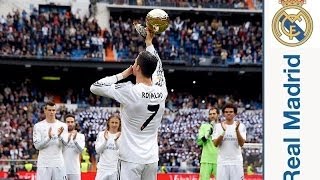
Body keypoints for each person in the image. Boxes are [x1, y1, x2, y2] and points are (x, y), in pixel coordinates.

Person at [90, 28, 168, 180]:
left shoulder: (130, 91)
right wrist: (149, 43)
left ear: (136, 68)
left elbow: (95, 87)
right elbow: (158, 67)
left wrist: (124, 74)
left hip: (130, 159)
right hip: (151, 159)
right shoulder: (162, 90)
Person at [33, 101, 68, 180]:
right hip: (44, 164)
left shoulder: (63, 126)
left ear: (55, 111)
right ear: (45, 110)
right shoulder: (38, 126)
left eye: (53, 110)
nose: (51, 112)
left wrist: (60, 136)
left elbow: (65, 145)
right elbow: (37, 146)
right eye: (49, 110)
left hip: (58, 163)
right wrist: (48, 138)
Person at [213, 103, 246, 180]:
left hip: (236, 161)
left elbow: (241, 144)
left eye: (231, 112)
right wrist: (223, 131)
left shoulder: (241, 126)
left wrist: (237, 130)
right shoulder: (217, 127)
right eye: (226, 112)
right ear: (223, 113)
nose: (228, 113)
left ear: (235, 113)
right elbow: (215, 144)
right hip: (222, 162)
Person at [95, 115, 121, 180]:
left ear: (119, 124)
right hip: (102, 168)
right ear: (108, 123)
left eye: (116, 123)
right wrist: (105, 140)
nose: (114, 125)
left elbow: (122, 153)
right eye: (112, 122)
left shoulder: (122, 135)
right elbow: (98, 151)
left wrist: (116, 141)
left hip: (115, 169)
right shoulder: (101, 134)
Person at [197, 107, 219, 180]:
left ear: (218, 114)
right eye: (210, 114)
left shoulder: (222, 127)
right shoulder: (204, 126)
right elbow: (199, 142)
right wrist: (207, 135)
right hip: (206, 159)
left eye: (214, 114)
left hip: (219, 159)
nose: (212, 115)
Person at [62, 114, 85, 180]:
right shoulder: (61, 135)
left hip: (75, 170)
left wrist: (75, 140)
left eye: (72, 122)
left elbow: (80, 150)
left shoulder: (80, 136)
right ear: (64, 123)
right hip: (62, 169)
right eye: (68, 122)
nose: (70, 124)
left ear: (74, 123)